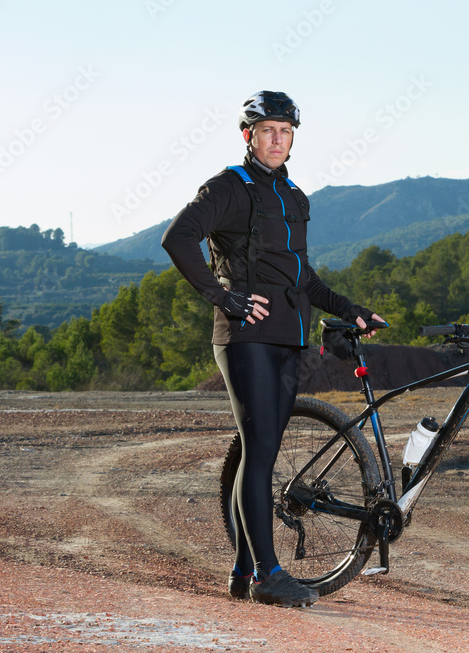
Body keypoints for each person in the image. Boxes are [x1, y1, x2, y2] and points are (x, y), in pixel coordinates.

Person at [162, 90, 381, 607]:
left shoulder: (294, 195)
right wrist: (226, 297)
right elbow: (178, 238)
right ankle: (267, 574)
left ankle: (242, 569)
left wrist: (350, 308)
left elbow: (304, 275)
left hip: (290, 336)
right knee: (259, 455)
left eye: (285, 131)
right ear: (249, 136)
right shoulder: (228, 187)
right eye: (268, 131)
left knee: (262, 453)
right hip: (245, 337)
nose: (278, 139)